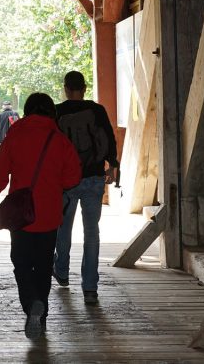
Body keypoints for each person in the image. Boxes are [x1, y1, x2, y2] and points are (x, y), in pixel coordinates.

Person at [0, 93, 81, 338]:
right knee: (44, 264)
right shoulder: (59, 139)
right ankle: (41, 316)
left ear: (27, 110)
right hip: (49, 214)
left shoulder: (15, 134)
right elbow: (72, 178)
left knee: (21, 262)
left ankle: (32, 305)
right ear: (51, 112)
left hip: (22, 214)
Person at [53, 71, 120, 305]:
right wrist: (112, 165)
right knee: (92, 232)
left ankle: (61, 271)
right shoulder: (97, 110)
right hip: (93, 177)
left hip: (66, 180)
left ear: (65, 88)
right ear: (84, 87)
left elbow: (52, 146)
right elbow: (109, 138)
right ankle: (90, 287)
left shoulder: (57, 111)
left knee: (64, 228)